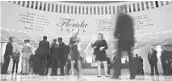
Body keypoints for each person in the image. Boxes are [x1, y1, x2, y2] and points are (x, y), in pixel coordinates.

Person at [112, 5, 137, 79]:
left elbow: (117, 28)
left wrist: (115, 35)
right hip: (130, 39)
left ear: (121, 10)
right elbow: (132, 29)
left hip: (122, 39)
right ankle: (133, 74)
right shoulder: (130, 18)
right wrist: (132, 39)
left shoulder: (120, 17)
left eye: (119, 9)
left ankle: (116, 74)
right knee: (131, 57)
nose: (118, 11)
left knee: (118, 56)